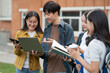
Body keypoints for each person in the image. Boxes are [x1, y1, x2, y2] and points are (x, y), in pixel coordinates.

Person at [40, 1, 75, 73]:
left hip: (62, 70)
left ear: (56, 13)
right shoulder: (47, 29)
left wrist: (55, 44)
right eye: (45, 14)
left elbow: (71, 52)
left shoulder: (67, 28)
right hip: (47, 70)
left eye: (48, 14)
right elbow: (44, 52)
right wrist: (39, 53)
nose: (46, 17)